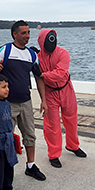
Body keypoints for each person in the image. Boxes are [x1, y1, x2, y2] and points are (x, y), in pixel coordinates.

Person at [0, 21, 47, 181]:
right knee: (5, 136)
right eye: (23, 33)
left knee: (30, 135)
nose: (27, 36)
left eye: (28, 33)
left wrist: (43, 100)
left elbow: (39, 78)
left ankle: (31, 165)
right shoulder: (5, 50)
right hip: (7, 104)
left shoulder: (32, 55)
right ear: (15, 34)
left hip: (25, 102)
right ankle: (3, 167)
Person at [37, 29, 86, 168]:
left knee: (71, 120)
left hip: (66, 89)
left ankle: (73, 145)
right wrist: (43, 100)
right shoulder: (37, 57)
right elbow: (37, 79)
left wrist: (42, 74)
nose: (51, 44)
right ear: (41, 42)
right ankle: (53, 154)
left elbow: (60, 73)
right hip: (50, 92)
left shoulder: (63, 53)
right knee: (52, 125)